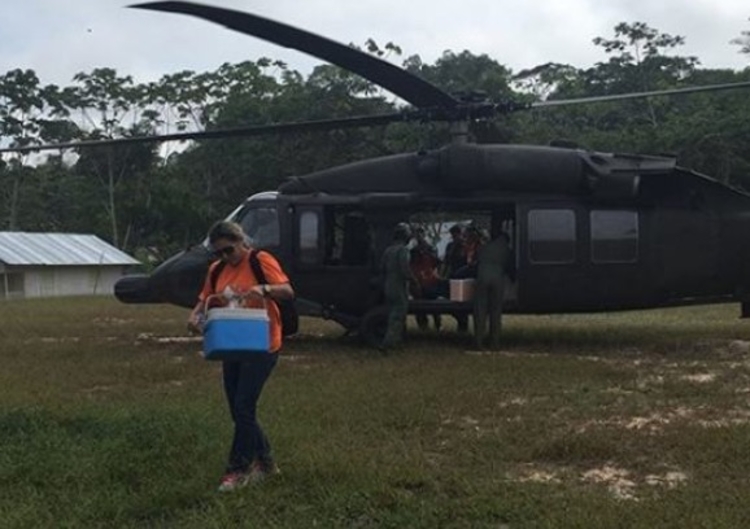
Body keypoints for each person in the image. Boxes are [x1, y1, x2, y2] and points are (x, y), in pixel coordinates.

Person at [187, 220, 294, 492]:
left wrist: (264, 289)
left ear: (241, 242)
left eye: (229, 250)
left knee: (244, 406)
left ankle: (238, 469)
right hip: (230, 343)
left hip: (263, 343)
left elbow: (288, 291)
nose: (225, 257)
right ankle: (267, 463)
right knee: (238, 409)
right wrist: (195, 314)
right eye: (219, 252)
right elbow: (206, 297)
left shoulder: (260, 260)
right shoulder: (217, 269)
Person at [473, 231, 513, 350]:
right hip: (497, 280)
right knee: (495, 312)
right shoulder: (507, 250)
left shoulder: (484, 247)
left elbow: (476, 262)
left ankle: (478, 343)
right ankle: (494, 344)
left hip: (482, 278)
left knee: (480, 311)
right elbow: (510, 268)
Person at [380, 223, 416, 350]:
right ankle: (388, 344)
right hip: (399, 287)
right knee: (397, 316)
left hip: (388, 285)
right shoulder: (403, 250)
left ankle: (398, 340)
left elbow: (382, 268)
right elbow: (405, 270)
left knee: (392, 314)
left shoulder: (388, 250)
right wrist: (414, 281)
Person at [409, 227, 442, 331]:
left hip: (429, 280)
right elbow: (411, 264)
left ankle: (437, 325)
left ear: (424, 234)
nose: (419, 236)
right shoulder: (413, 250)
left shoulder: (431, 248)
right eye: (417, 234)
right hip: (418, 280)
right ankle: (423, 327)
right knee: (419, 307)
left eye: (420, 234)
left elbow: (437, 262)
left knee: (434, 306)